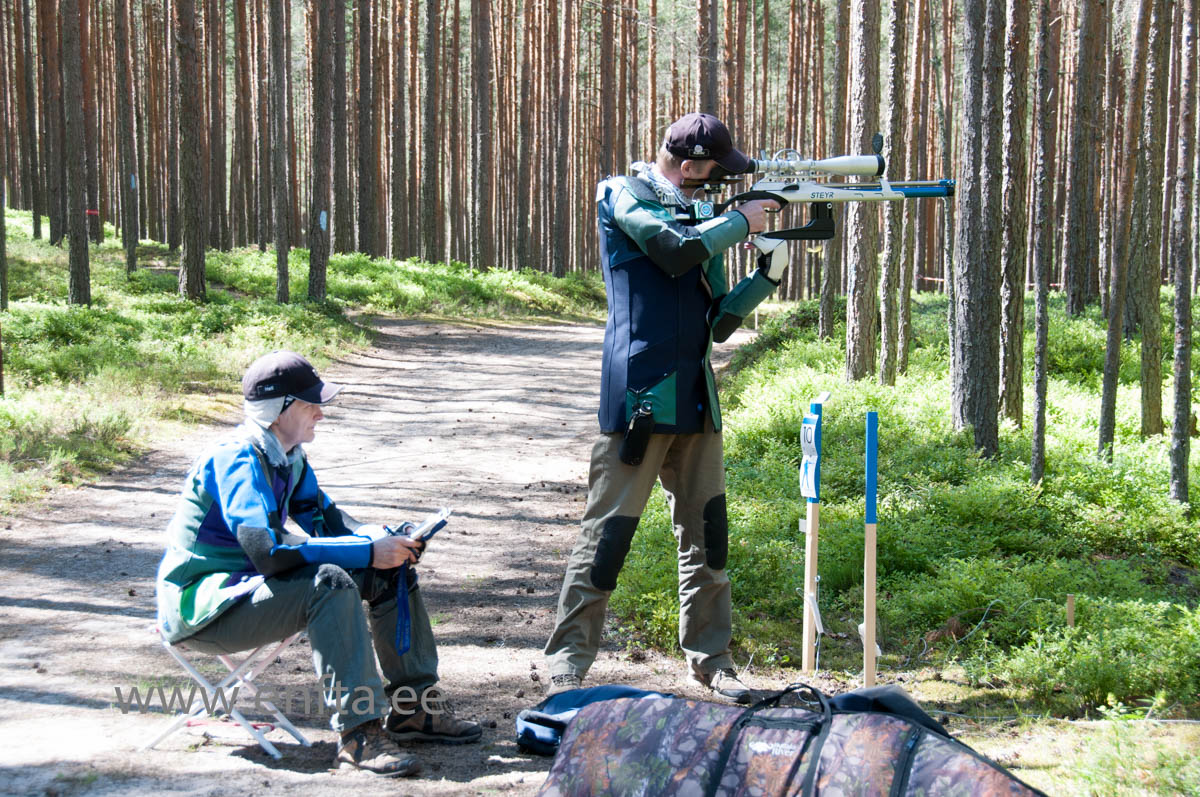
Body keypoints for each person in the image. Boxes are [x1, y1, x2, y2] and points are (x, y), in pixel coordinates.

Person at [543, 113, 788, 703]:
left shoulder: (705, 216)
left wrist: (770, 271)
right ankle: (568, 661)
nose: (713, 187)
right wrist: (739, 221)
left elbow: (721, 321)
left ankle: (713, 660)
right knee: (607, 538)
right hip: (641, 398)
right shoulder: (621, 193)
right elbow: (673, 252)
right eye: (709, 175)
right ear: (686, 164)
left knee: (709, 538)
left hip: (698, 398)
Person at [155, 351, 480, 777]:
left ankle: (414, 708)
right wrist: (366, 551)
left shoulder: (287, 455)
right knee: (330, 582)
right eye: (311, 404)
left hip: (245, 592)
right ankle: (359, 733)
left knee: (388, 569)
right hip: (202, 610)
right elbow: (267, 555)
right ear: (279, 410)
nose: (320, 414)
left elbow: (329, 524)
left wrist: (384, 539)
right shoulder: (235, 458)